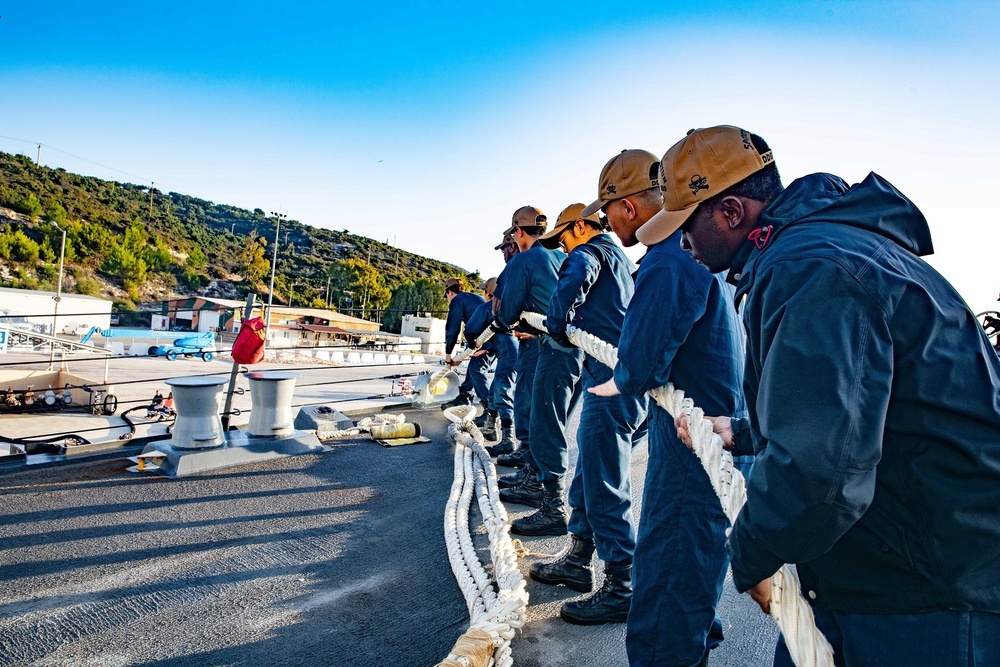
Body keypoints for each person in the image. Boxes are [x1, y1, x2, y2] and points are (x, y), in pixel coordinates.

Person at [665, 125, 1000, 666]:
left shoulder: (808, 267)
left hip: (928, 588)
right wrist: (744, 431)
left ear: (729, 212)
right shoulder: (833, 248)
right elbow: (862, 403)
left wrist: (750, 557)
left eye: (686, 225)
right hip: (892, 558)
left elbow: (822, 470)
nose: (681, 242)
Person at [586, 149, 746, 666]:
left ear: (628, 209)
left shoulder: (668, 257)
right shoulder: (709, 254)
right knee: (696, 591)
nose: (605, 223)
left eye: (606, 211)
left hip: (690, 452)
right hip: (720, 441)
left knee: (666, 604)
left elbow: (639, 363)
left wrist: (619, 381)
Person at [530, 203, 648, 625]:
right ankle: (578, 558)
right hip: (627, 380)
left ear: (581, 226)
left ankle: (621, 585)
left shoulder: (590, 252)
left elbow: (574, 278)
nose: (563, 247)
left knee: (603, 483)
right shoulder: (620, 255)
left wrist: (557, 323)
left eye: (564, 237)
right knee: (590, 474)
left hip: (610, 381)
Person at [487, 206, 569, 519]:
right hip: (569, 345)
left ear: (518, 233)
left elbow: (505, 312)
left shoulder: (525, 259)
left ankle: (548, 499)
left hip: (547, 345)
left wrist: (504, 320)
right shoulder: (563, 257)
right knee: (545, 417)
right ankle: (533, 479)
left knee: (542, 419)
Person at [441, 277, 485, 409]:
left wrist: (448, 354)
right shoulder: (473, 297)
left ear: (450, 292)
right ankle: (464, 396)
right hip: (485, 336)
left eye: (446, 296)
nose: (448, 299)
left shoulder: (457, 300)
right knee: (474, 369)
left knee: (477, 370)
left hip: (485, 339)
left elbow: (453, 328)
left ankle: (491, 410)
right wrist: (463, 356)